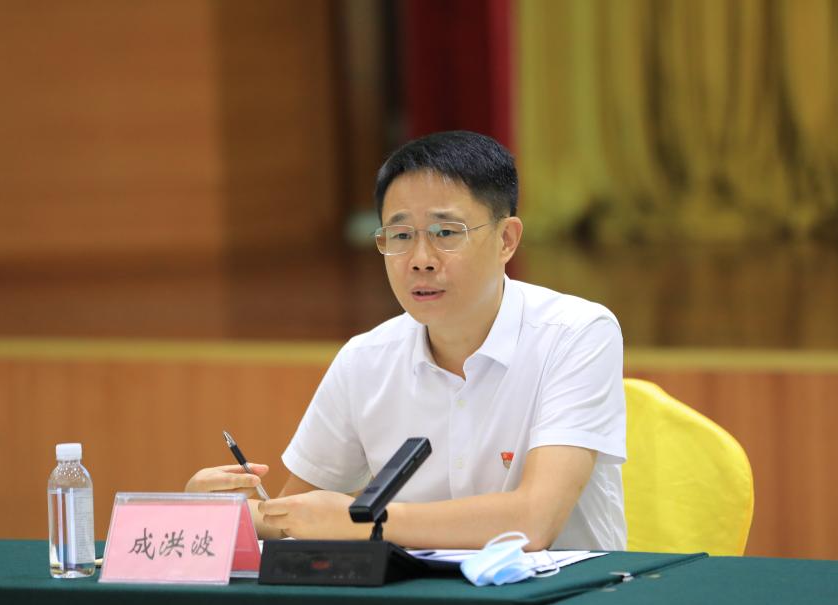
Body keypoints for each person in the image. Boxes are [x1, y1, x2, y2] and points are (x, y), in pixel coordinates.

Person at [186, 131, 626, 551]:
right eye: (400, 236)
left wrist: (361, 522)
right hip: (415, 596)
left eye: (445, 233)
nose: (420, 260)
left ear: (506, 239)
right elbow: (297, 516)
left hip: (561, 594)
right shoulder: (365, 359)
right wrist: (220, 512)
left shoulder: (576, 333)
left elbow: (534, 521)